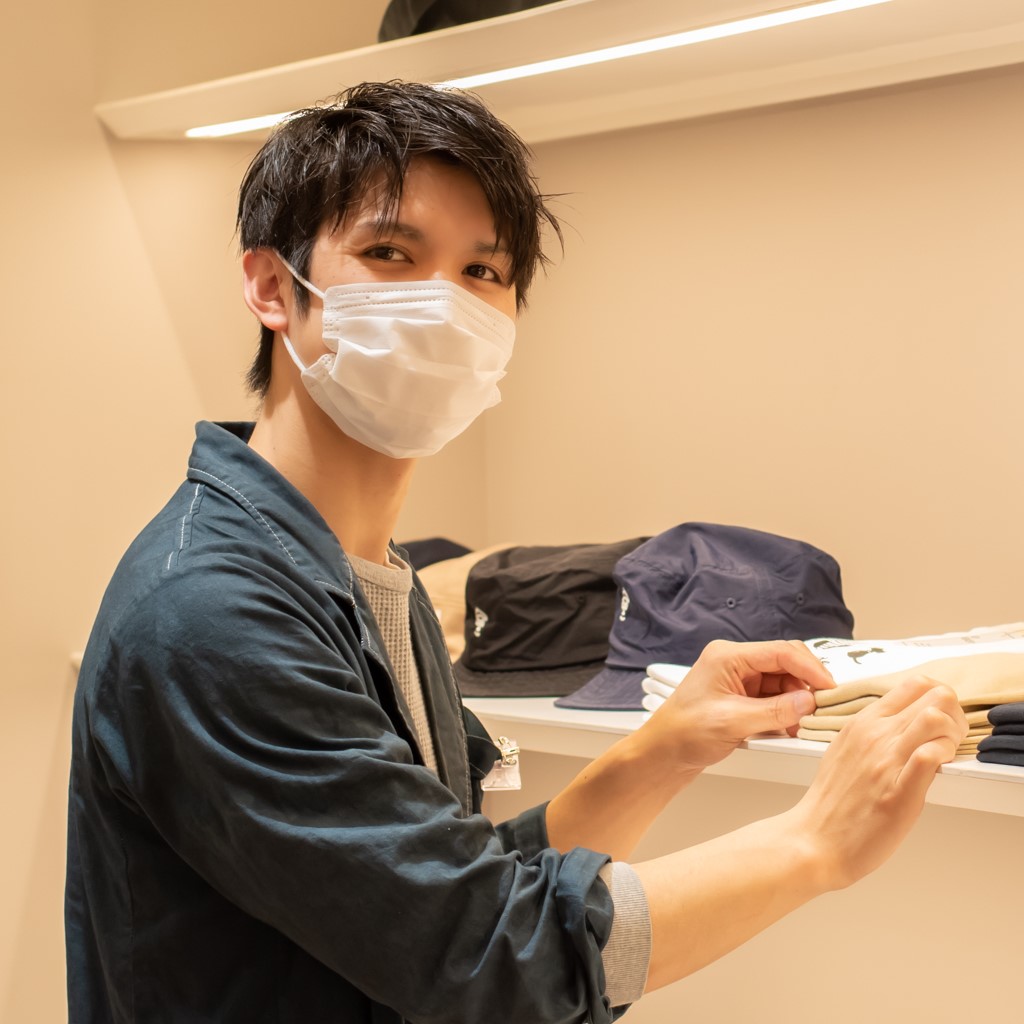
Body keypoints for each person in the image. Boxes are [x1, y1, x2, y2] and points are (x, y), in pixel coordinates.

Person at [65, 81, 968, 1024]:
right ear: (269, 286)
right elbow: (486, 953)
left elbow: (437, 891)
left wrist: (662, 751)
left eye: (482, 272)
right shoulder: (212, 610)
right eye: (389, 254)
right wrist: (813, 844)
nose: (441, 304)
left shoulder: (370, 576)